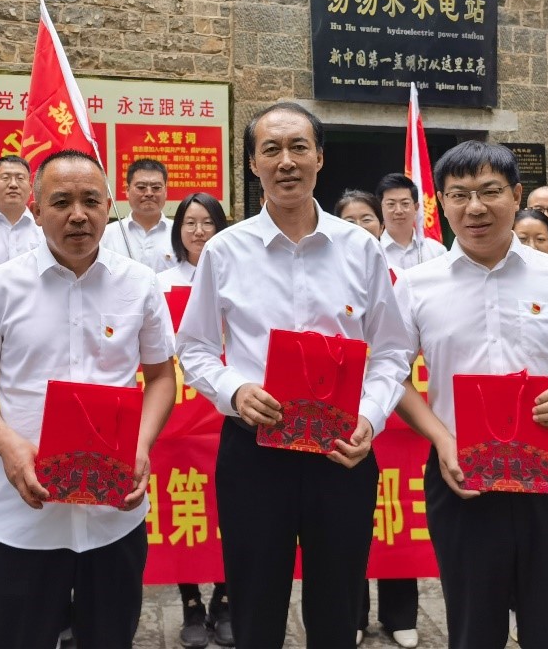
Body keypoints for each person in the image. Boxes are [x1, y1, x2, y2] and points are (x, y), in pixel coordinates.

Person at [176, 102, 411, 649]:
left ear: (319, 158)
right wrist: (235, 390)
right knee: (255, 607)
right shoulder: (225, 251)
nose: (286, 161)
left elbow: (392, 351)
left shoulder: (361, 249)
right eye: (272, 149)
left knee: (338, 607)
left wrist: (370, 417)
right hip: (254, 452)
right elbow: (195, 347)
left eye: (299, 147)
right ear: (253, 164)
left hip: (341, 452)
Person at [0, 150, 176, 648]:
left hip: (114, 515)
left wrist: (140, 446)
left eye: (91, 201)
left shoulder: (139, 284)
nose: (78, 215)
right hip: (25, 518)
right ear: (36, 210)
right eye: (61, 202)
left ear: (109, 207)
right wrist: (9, 446)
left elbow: (162, 377)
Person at [394, 141, 548, 649]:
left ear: (516, 196)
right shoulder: (416, 285)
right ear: (441, 203)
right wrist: (441, 439)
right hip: (462, 479)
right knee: (473, 630)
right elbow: (392, 375)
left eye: (490, 191)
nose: (475, 208)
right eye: (459, 195)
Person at [334, 190, 420, 649]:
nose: (359, 227)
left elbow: (398, 349)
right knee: (349, 530)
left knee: (396, 513)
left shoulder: (405, 277)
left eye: (366, 218)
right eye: (348, 219)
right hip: (342, 421)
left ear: (381, 224)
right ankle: (353, 613)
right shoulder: (327, 270)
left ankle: (401, 611)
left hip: (392, 408)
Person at [157, 192, 233, 649]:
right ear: (178, 229)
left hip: (230, 412)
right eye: (190, 222)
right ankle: (190, 602)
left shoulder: (239, 273)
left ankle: (225, 599)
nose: (199, 231)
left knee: (228, 508)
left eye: (207, 222)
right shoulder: (161, 283)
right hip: (181, 418)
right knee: (183, 506)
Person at [102, 157, 176, 273]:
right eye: (141, 187)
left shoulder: (179, 233)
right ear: (127, 190)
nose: (149, 193)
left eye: (156, 188)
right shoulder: (107, 234)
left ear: (165, 191)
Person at [0, 156, 43, 271]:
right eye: (5, 178)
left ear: (31, 188)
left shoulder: (44, 230)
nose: (13, 184)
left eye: (20, 178)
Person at [374, 174, 447, 270]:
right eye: (391, 204)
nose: (399, 211)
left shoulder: (437, 251)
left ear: (416, 207)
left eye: (405, 203)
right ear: (381, 208)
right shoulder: (374, 251)